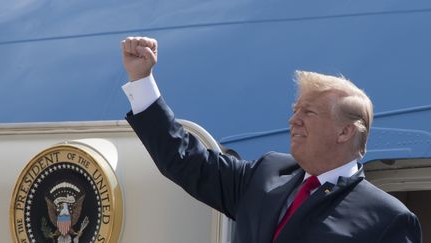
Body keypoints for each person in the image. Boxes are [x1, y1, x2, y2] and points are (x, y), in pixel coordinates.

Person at [121, 36, 422, 243]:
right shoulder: (266, 174)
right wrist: (142, 81)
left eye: (309, 112)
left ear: (345, 132)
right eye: (295, 110)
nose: (294, 120)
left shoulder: (388, 218)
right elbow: (185, 160)